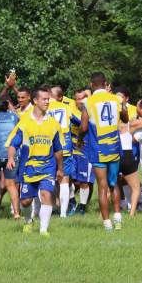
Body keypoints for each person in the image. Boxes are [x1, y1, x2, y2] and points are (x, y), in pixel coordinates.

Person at [6, 85, 63, 236]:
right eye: (44, 99)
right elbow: (13, 143)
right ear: (35, 100)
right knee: (25, 201)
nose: (47, 102)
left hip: (47, 166)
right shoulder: (25, 122)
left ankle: (43, 230)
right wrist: (11, 157)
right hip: (28, 168)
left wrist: (60, 168)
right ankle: (28, 221)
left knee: (46, 195)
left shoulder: (53, 124)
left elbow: (58, 149)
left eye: (48, 99)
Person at [80, 73, 127, 231]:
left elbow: (84, 127)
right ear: (105, 83)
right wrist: (124, 104)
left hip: (98, 149)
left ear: (91, 84)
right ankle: (118, 218)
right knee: (114, 184)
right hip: (114, 147)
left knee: (102, 186)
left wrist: (79, 138)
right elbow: (126, 119)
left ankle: (107, 224)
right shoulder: (116, 99)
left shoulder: (88, 102)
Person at [48, 86, 77, 218]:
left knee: (49, 178)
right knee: (64, 179)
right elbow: (79, 121)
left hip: (48, 147)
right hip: (65, 146)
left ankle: (52, 207)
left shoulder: (44, 107)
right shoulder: (66, 108)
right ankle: (63, 214)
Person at [115, 87, 142, 218]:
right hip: (125, 152)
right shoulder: (118, 111)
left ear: (127, 98)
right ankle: (130, 211)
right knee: (131, 184)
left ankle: (108, 212)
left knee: (111, 184)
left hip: (122, 151)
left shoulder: (131, 110)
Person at [68, 87, 94, 215]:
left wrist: (74, 119)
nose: (79, 101)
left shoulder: (91, 110)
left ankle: (82, 207)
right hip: (71, 151)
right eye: (77, 99)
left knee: (84, 181)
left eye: (82, 98)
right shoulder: (70, 109)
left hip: (86, 151)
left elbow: (85, 127)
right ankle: (72, 202)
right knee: (68, 179)